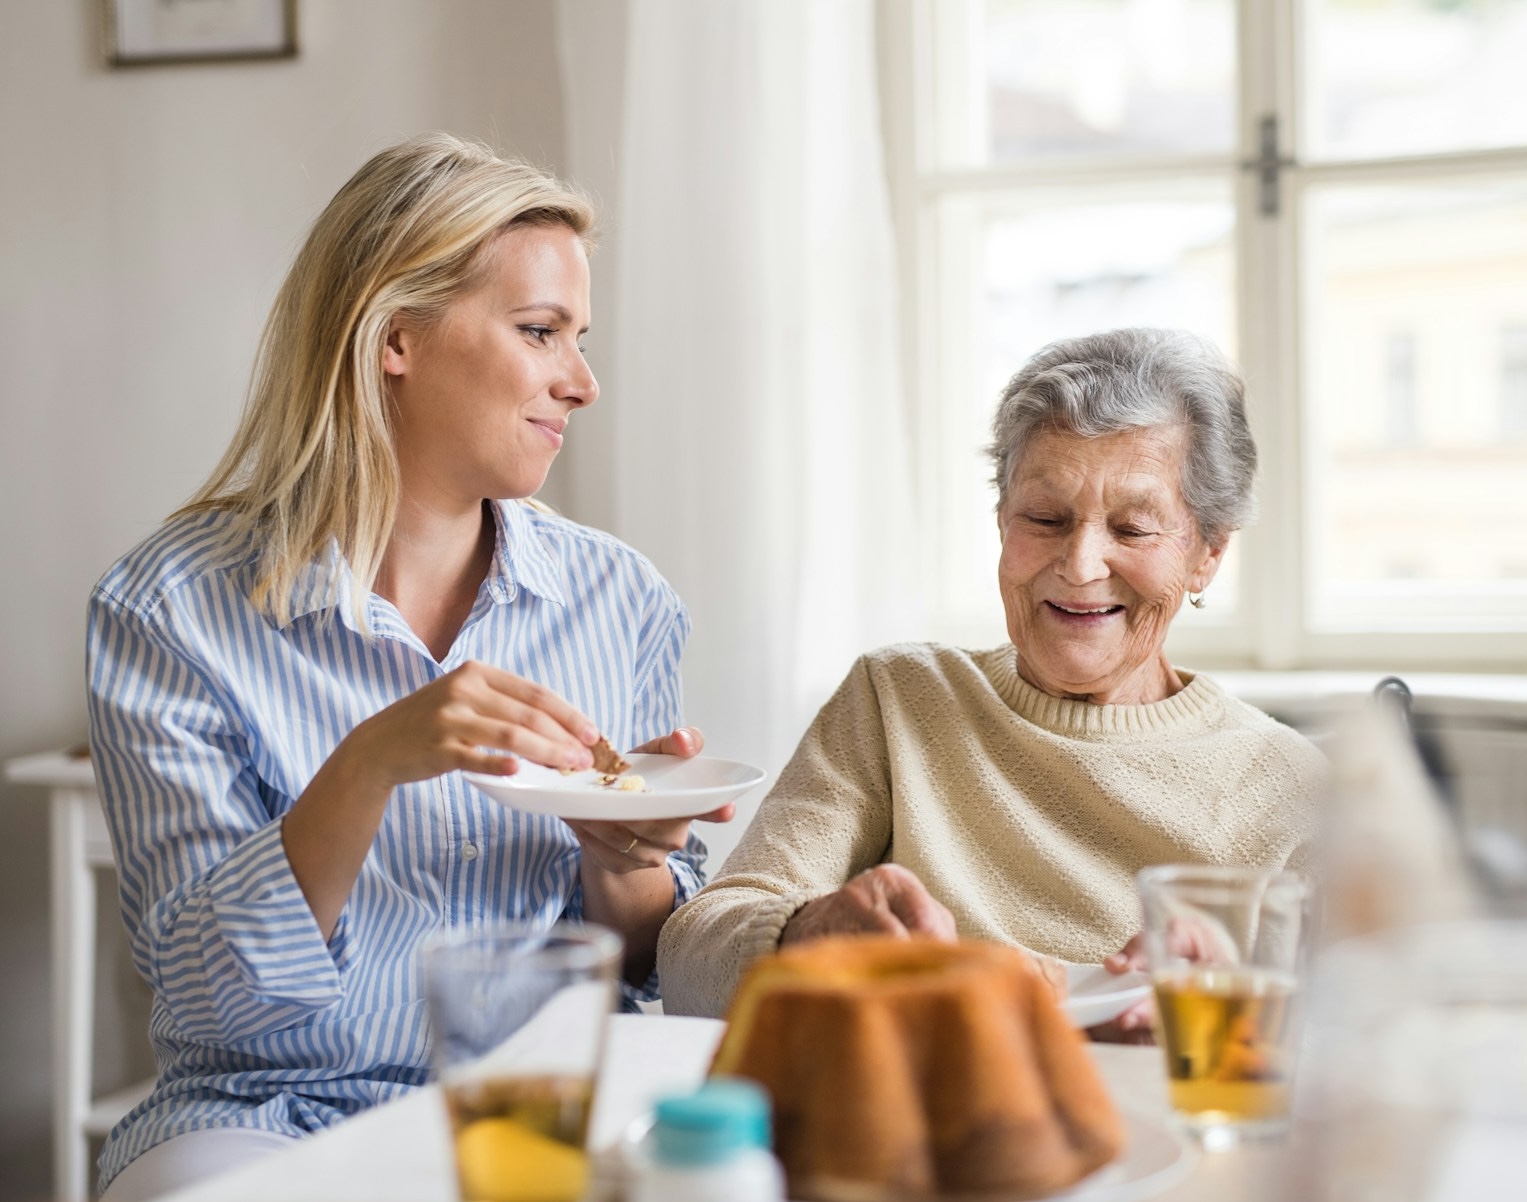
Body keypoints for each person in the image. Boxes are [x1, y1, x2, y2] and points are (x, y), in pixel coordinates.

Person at [87, 133, 731, 1200]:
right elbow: (206, 999)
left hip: (548, 1095)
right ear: (395, 338)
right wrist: (369, 759)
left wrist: (625, 859)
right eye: (540, 333)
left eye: (578, 338)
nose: (583, 381)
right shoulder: (167, 608)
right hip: (263, 1112)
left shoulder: (621, 599)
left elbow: (646, 957)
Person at [658, 328, 1325, 1032]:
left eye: (1131, 529)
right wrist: (806, 935)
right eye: (1045, 518)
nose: (1080, 564)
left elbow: (1362, 1064)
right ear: (1002, 520)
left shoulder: (1291, 788)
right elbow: (687, 963)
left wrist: (1236, 1017)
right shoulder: (900, 699)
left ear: (1207, 555)